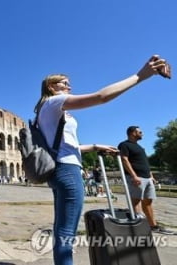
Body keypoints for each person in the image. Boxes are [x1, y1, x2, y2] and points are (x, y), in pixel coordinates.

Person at [36, 55, 169, 265]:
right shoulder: (54, 102)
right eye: (64, 83)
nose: (69, 86)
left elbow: (63, 146)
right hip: (68, 171)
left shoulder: (46, 111)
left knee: (62, 228)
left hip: (59, 169)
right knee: (66, 231)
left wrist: (95, 146)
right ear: (51, 87)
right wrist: (140, 76)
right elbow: (101, 97)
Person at [118, 126, 172, 234]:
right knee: (135, 201)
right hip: (136, 177)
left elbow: (145, 163)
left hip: (147, 177)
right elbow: (124, 160)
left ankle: (153, 225)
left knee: (148, 201)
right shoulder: (124, 145)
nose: (142, 134)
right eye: (140, 132)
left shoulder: (140, 147)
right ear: (133, 133)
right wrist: (134, 176)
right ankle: (137, 226)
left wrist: (151, 175)